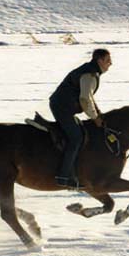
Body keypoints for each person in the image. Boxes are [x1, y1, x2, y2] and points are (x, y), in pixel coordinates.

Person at [49, 48, 112, 187]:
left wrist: (99, 113)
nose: (110, 63)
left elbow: (88, 96)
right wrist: (95, 118)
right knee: (76, 138)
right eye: (108, 60)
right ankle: (64, 176)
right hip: (62, 108)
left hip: (65, 106)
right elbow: (84, 100)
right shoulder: (89, 74)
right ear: (99, 60)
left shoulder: (92, 71)